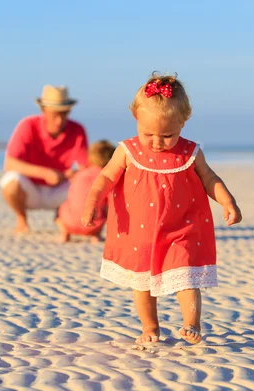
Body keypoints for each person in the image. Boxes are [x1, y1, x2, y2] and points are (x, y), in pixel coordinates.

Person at [81, 73, 242, 345]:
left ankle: (192, 324)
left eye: (167, 135)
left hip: (181, 227)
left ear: (183, 121)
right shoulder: (127, 150)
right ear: (135, 118)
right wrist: (92, 202)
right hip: (139, 233)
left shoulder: (190, 152)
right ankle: (150, 327)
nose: (157, 142)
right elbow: (106, 177)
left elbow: (209, 179)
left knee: (186, 275)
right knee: (142, 283)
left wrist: (228, 201)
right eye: (148, 134)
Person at [0, 85, 88, 233]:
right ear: (43, 111)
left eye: (64, 114)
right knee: (10, 181)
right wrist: (45, 173)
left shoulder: (77, 130)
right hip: (31, 189)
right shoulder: (27, 125)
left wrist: (71, 174)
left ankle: (62, 218)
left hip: (60, 190)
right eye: (55, 115)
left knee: (86, 183)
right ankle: (21, 218)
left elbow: (84, 167)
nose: (59, 121)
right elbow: (9, 163)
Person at [56, 140, 116, 243]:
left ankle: (64, 233)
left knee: (64, 206)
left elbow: (71, 195)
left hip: (69, 223)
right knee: (103, 208)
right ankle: (95, 235)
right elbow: (112, 205)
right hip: (93, 226)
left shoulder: (80, 174)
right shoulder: (108, 177)